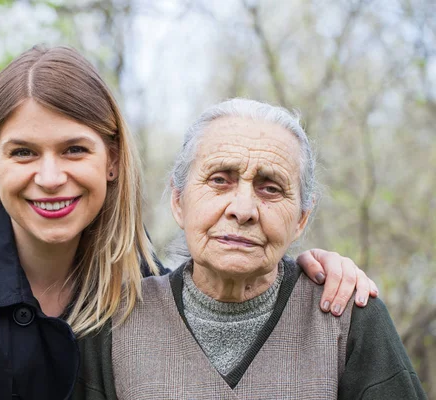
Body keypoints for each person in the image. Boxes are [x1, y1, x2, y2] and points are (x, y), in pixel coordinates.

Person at [0, 47, 377, 400]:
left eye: (75, 149)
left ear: (112, 160)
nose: (51, 177)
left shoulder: (134, 276)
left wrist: (307, 270)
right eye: (24, 153)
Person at [74, 98, 426, 399]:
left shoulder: (347, 318)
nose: (243, 209)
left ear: (302, 218)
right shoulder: (115, 322)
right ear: (179, 201)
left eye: (270, 188)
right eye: (219, 180)